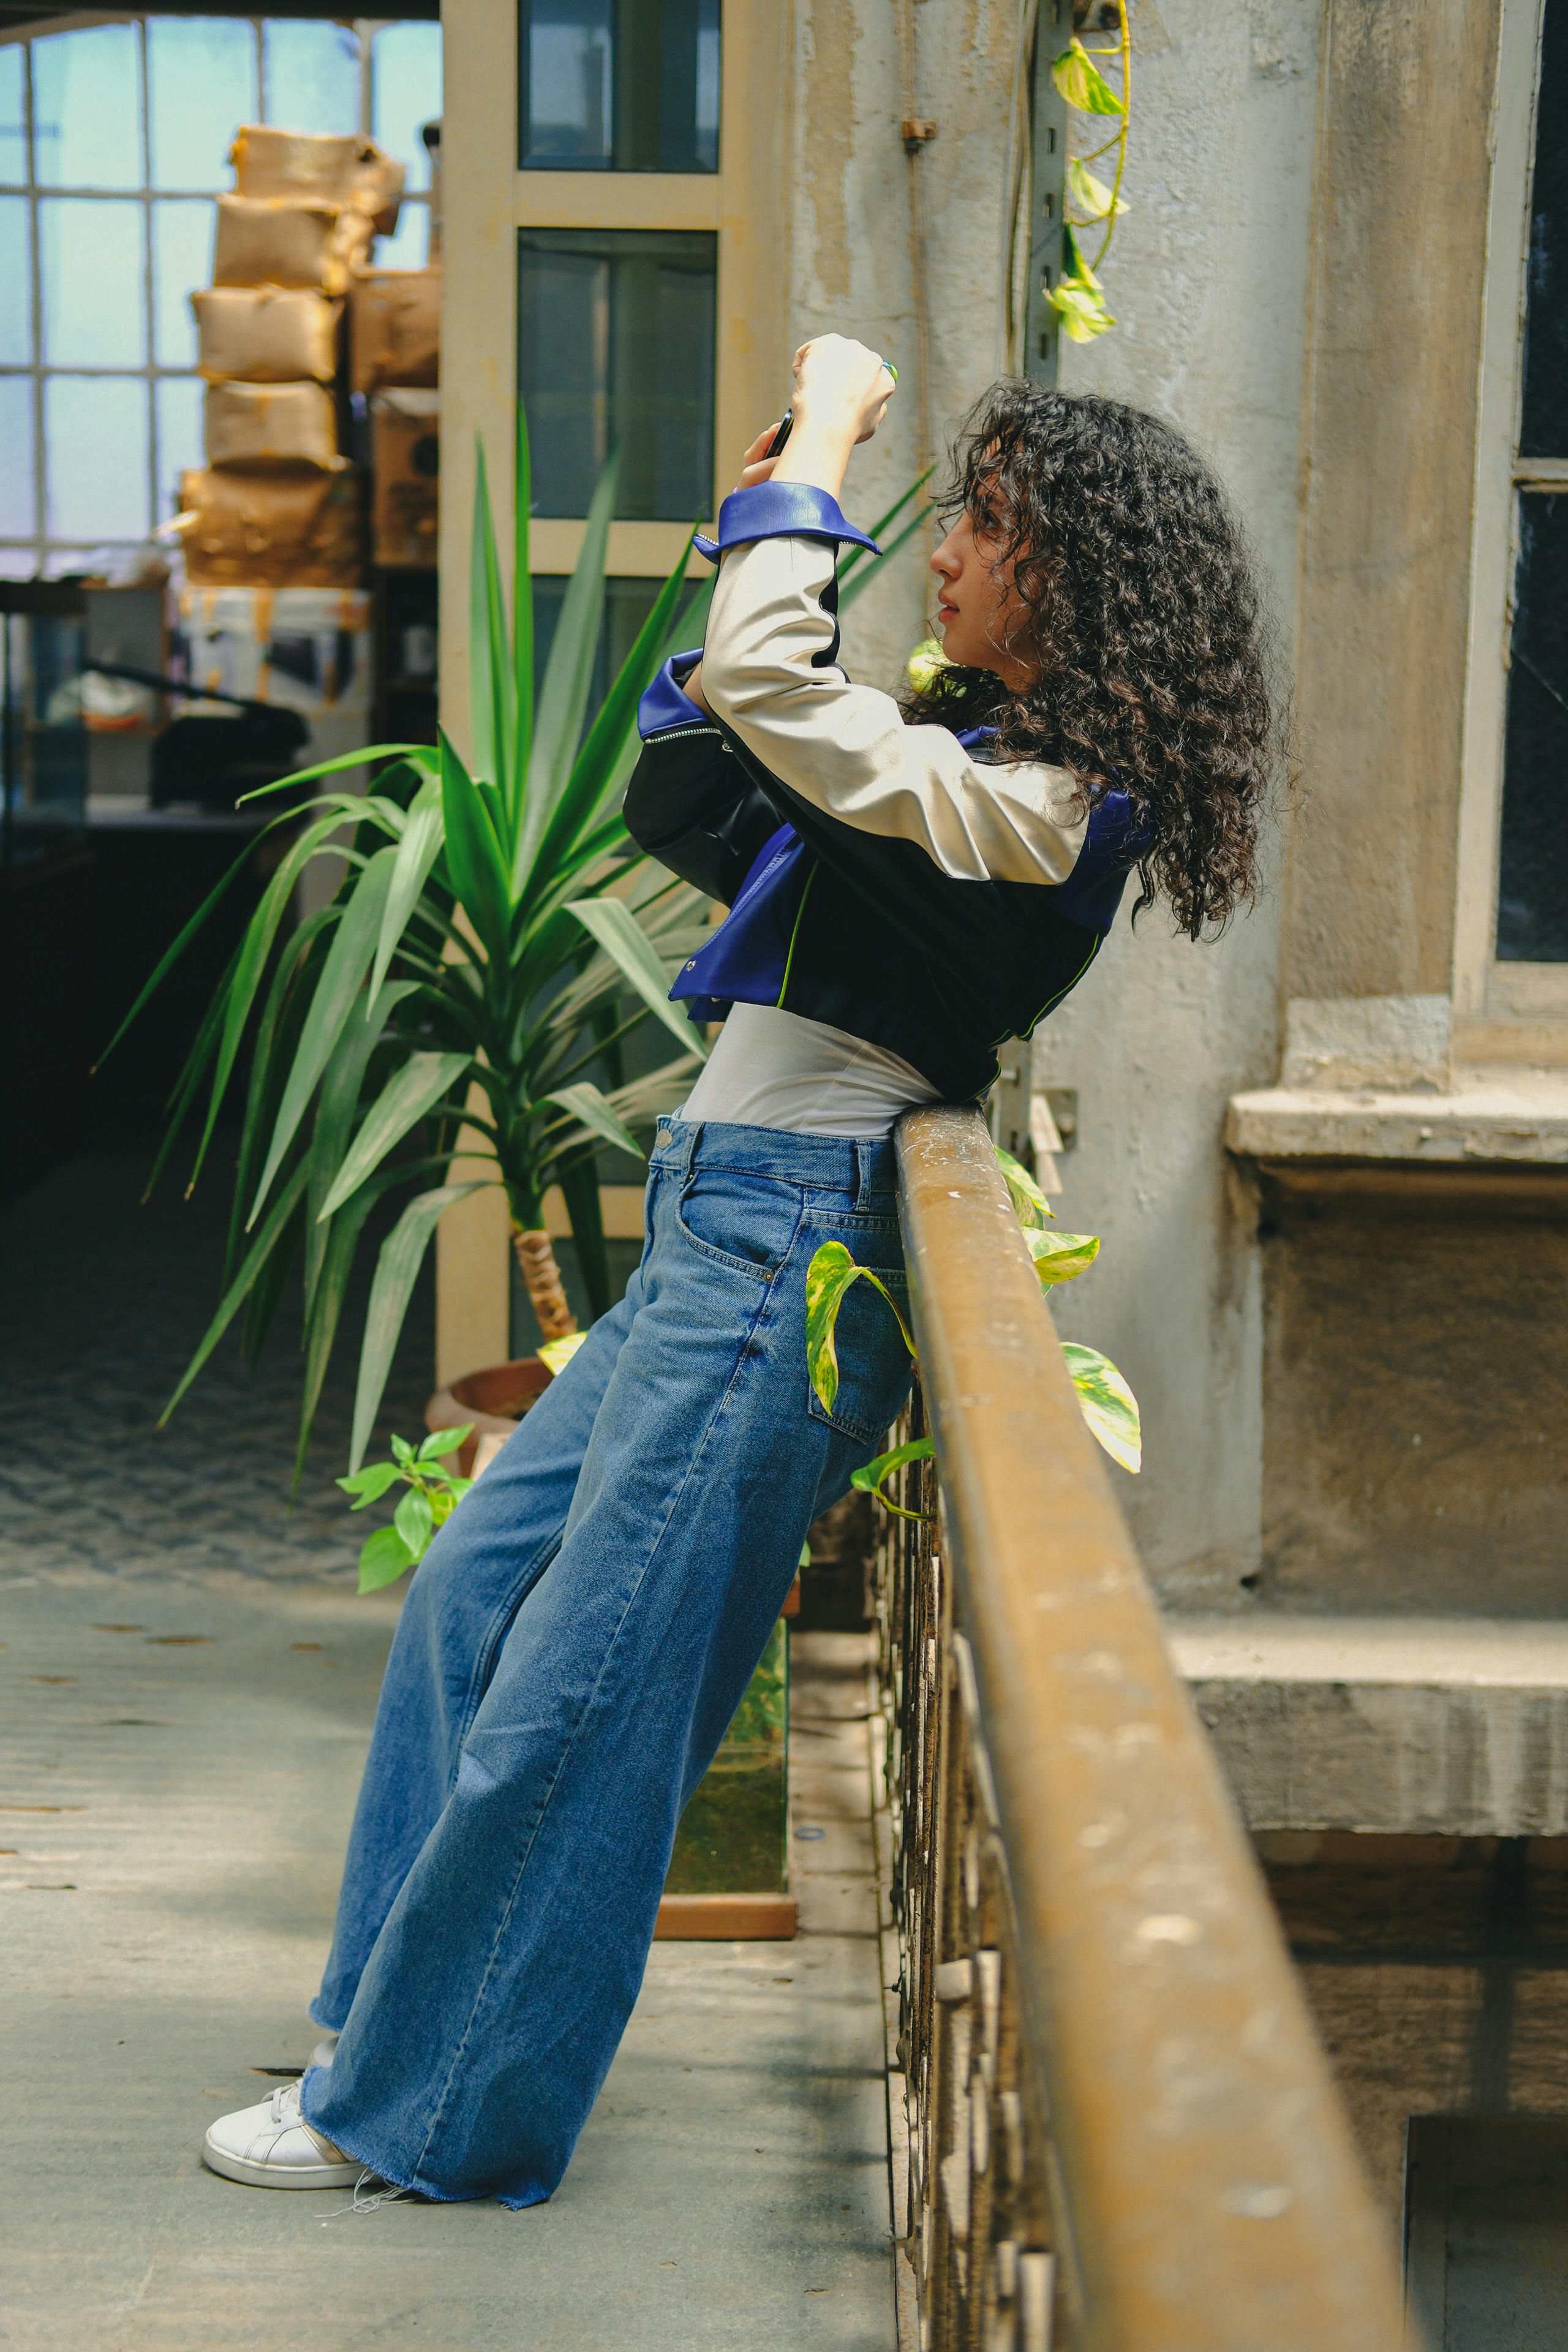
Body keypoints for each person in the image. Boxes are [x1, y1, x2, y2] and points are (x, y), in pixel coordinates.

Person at [200, 337, 1278, 2204]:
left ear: (1077, 582)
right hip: (727, 1221)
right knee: (478, 1596)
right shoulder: (965, 768)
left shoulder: (1043, 811)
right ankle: (389, 2036)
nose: (942, 556)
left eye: (989, 526)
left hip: (785, 1239)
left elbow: (773, 681)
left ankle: (439, 2118)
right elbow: (700, 765)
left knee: (593, 1689)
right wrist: (766, 508)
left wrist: (827, 455)